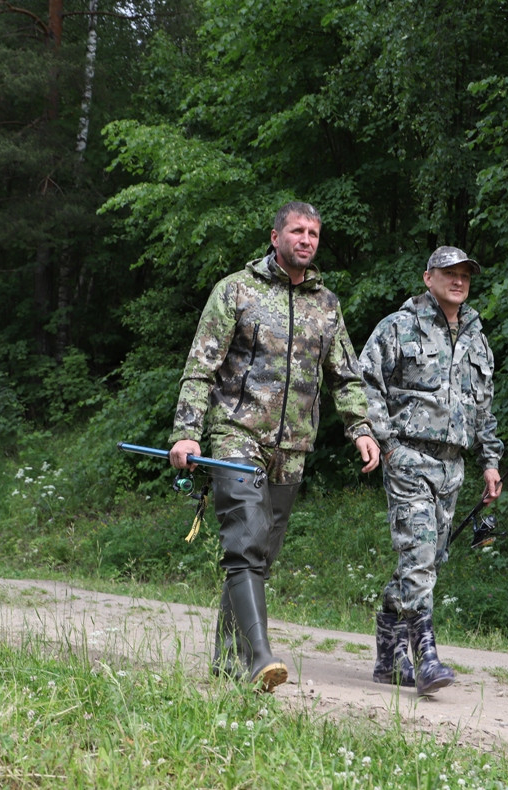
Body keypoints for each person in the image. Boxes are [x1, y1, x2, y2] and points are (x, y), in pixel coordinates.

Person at [168, 201, 381, 692]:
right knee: (244, 540)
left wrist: (362, 429)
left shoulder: (326, 304)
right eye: (297, 231)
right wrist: (187, 428)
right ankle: (259, 657)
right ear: (275, 236)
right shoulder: (236, 291)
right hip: (234, 435)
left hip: (293, 447)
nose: (306, 239)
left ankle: (227, 662)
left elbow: (346, 374)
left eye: (313, 233)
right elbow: (201, 365)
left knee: (259, 554)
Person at [359, 245, 504, 695]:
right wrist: (383, 440)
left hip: (454, 466)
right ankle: (426, 657)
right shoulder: (398, 327)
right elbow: (364, 382)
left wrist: (491, 461)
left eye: (464, 274)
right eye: (448, 273)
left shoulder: (478, 340)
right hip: (408, 458)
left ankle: (387, 655)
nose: (457, 281)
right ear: (428, 278)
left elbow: (484, 407)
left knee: (426, 560)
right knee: (420, 556)